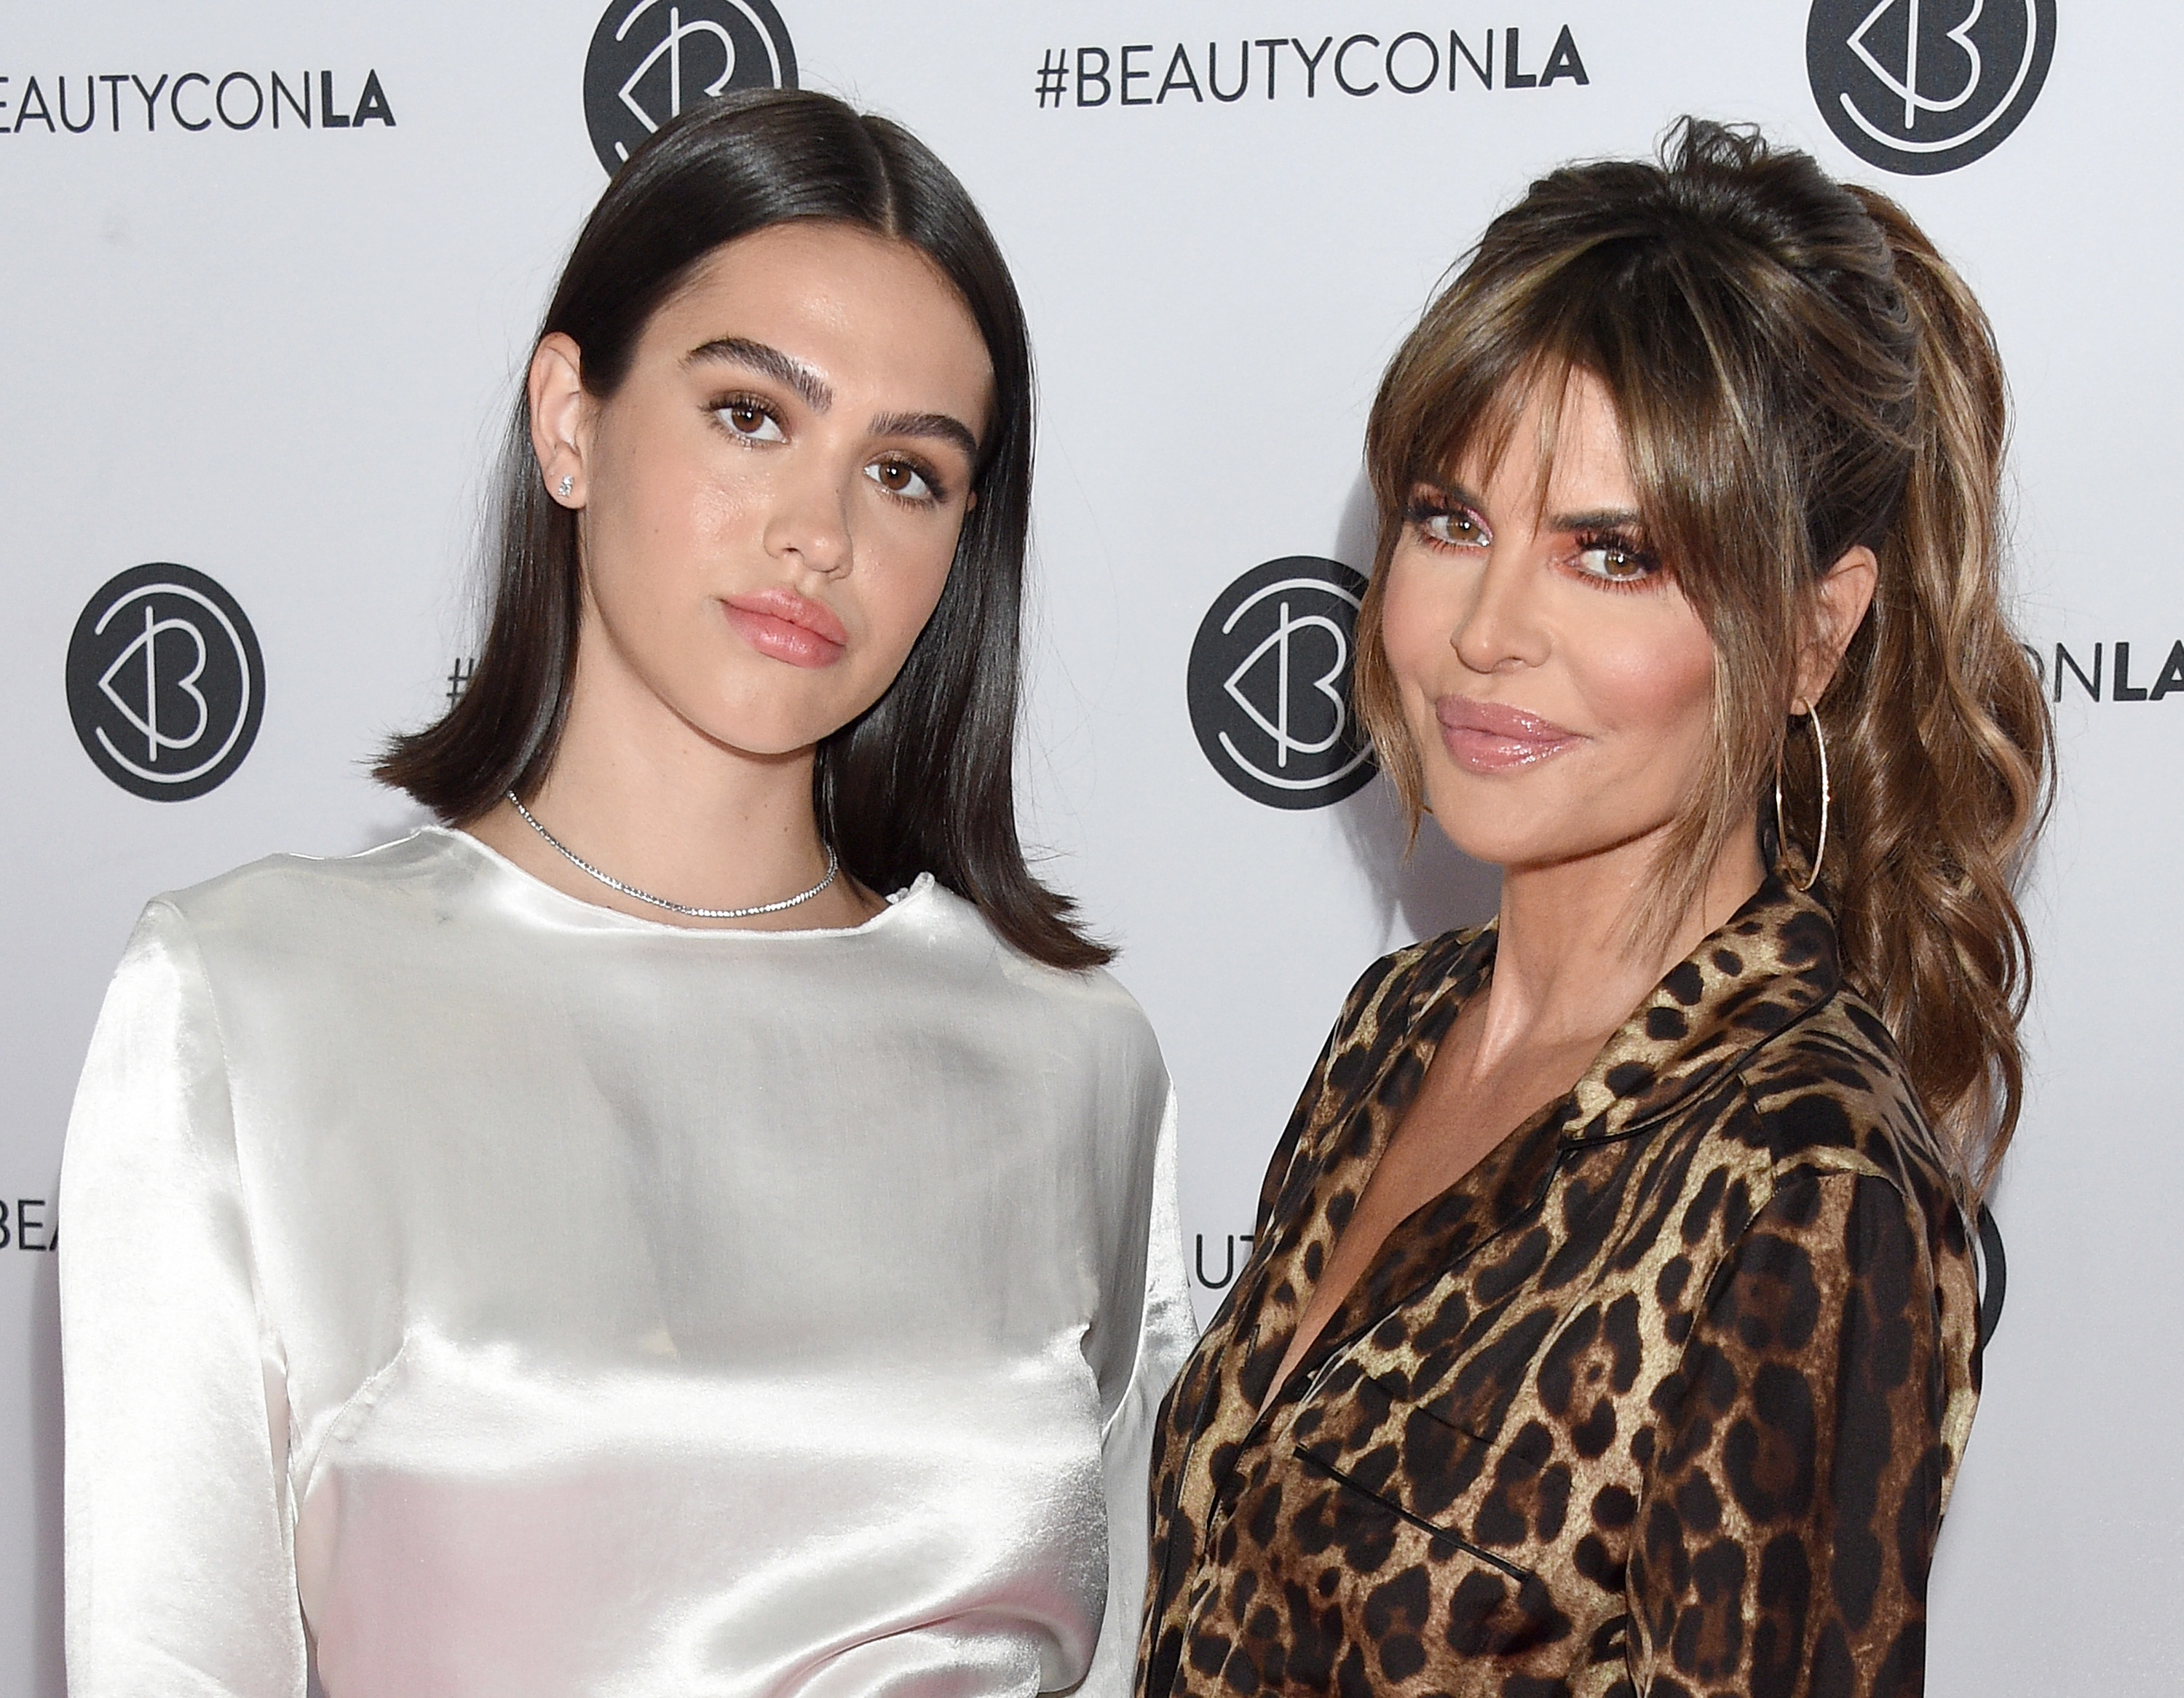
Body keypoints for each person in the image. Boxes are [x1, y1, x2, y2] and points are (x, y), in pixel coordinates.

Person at [60, 90, 1192, 1698]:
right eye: (752, 416)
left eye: (909, 474)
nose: (817, 532)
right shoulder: (247, 1004)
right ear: (569, 420)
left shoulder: (1077, 1059)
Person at [1137, 119, 2047, 1698]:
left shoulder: (1801, 1174)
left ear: (1816, 634)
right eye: (1452, 521)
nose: (1490, 631)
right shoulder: (1400, 1026)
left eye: (1611, 556)